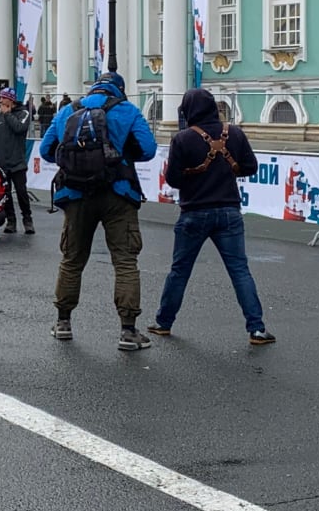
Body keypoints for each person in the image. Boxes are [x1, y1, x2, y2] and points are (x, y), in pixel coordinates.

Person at [39, 71, 156, 351]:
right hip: (118, 193)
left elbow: (46, 150)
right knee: (125, 261)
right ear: (119, 90)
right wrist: (120, 153)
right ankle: (128, 331)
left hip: (76, 194)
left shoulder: (69, 109)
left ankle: (63, 322)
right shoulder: (127, 110)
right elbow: (149, 149)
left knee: (72, 259)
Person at [149, 89, 275, 346]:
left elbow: (172, 179)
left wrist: (193, 174)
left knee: (179, 271)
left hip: (194, 212)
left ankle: (164, 322)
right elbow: (250, 167)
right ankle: (257, 329)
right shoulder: (234, 133)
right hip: (229, 211)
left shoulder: (183, 138)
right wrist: (228, 168)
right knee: (240, 271)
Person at [0, 89, 35, 234]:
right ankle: (11, 220)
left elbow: (19, 128)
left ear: (11, 100)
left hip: (18, 163)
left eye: (3, 98)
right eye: (0, 98)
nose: (1, 101)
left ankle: (27, 219)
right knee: (5, 193)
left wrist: (8, 114)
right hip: (2, 164)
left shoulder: (24, 114)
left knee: (21, 192)